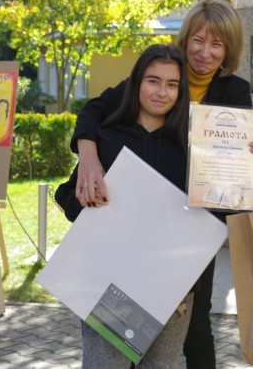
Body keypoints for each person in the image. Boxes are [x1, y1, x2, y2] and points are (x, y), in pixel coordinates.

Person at [70, 0, 253, 368]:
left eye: (218, 44)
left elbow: (238, 162)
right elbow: (95, 110)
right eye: (198, 40)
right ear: (185, 40)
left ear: (229, 49)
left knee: (195, 322)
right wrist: (87, 152)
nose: (206, 53)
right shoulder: (160, 70)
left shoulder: (234, 92)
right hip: (134, 229)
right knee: (119, 333)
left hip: (195, 222)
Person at [56, 44, 193, 368]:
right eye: (153, 81)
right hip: (110, 284)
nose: (162, 92)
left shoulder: (189, 147)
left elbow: (215, 210)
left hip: (170, 286)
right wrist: (91, 200)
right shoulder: (107, 137)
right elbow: (74, 205)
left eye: (172, 84)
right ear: (136, 84)